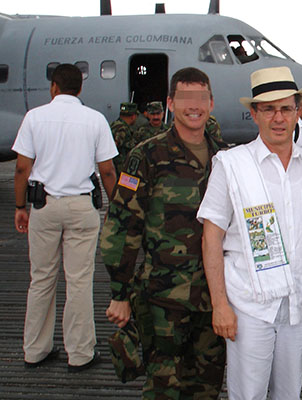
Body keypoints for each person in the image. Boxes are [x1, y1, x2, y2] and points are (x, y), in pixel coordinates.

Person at [197, 66, 302, 400]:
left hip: (300, 304)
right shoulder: (231, 164)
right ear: (254, 114)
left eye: (286, 108)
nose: (278, 117)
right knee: (248, 396)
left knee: (289, 394)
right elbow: (211, 237)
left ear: (297, 111)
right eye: (268, 109)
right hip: (250, 308)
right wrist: (220, 305)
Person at [100, 67, 225, 398]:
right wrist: (119, 293)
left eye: (201, 98)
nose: (194, 106)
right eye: (185, 98)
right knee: (163, 387)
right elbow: (121, 226)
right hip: (162, 299)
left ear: (211, 103)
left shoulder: (225, 158)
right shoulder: (147, 156)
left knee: (207, 387)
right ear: (170, 103)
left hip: (214, 299)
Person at [12, 63, 117, 372]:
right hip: (83, 208)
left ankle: (35, 350)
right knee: (80, 281)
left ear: (53, 87)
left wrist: (20, 206)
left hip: (44, 207)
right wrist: (117, 207)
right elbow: (108, 170)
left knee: (41, 279)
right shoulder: (95, 120)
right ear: (80, 89)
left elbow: (21, 168)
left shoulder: (34, 118)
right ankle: (81, 354)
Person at [110, 102, 138, 173]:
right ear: (133, 116)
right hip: (120, 168)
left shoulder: (113, 124)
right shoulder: (123, 129)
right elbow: (114, 145)